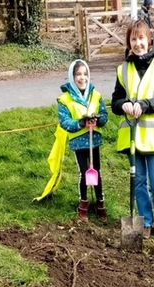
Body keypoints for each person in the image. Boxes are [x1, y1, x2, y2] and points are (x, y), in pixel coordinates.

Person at [111, 20, 154, 242]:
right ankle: (146, 223)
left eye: (141, 38)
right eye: (133, 39)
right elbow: (115, 101)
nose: (137, 43)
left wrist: (145, 105)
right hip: (134, 139)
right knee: (138, 182)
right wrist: (124, 105)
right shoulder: (123, 70)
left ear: (149, 41)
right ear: (129, 43)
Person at [57, 59, 109, 223]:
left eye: (85, 74)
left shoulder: (96, 95)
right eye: (78, 74)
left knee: (97, 172)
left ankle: (100, 203)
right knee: (85, 172)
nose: (82, 78)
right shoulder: (65, 99)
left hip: (94, 140)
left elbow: (104, 115)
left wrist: (98, 119)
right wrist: (80, 122)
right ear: (72, 77)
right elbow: (64, 122)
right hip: (79, 141)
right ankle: (83, 204)